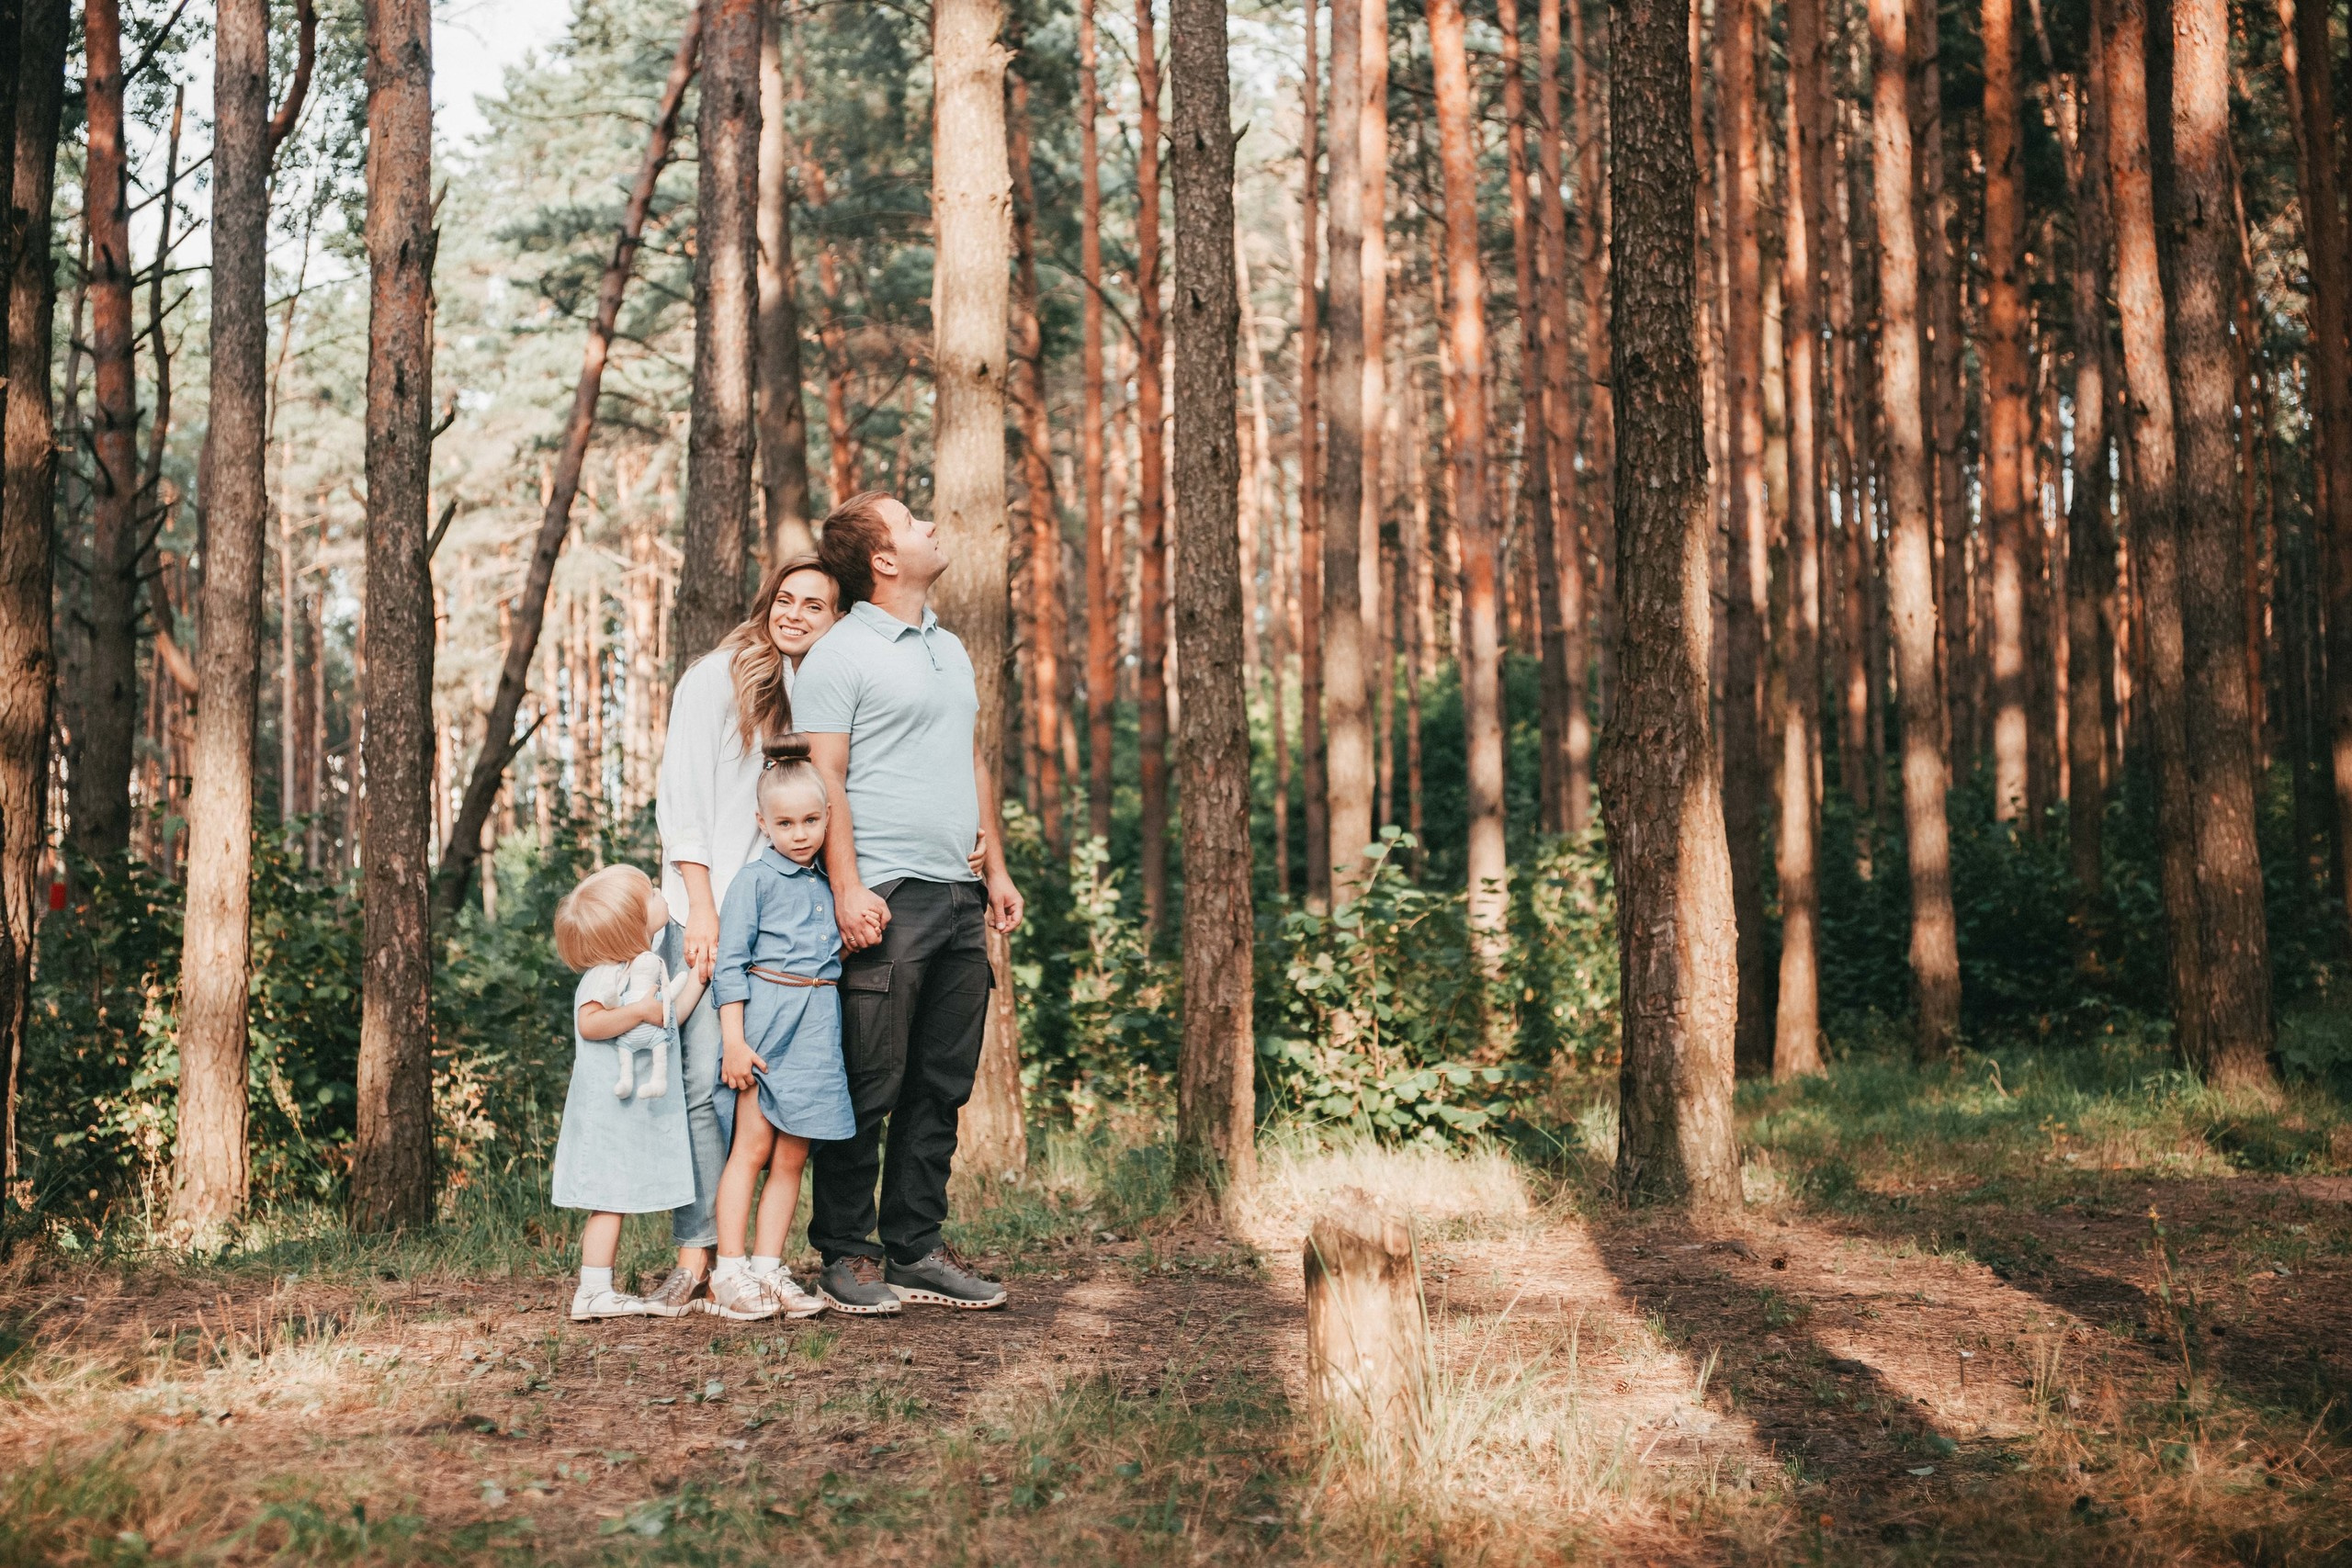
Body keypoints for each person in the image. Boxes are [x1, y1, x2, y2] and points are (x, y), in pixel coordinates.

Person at [793, 491, 1023, 1314]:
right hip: (886, 896)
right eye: (910, 521)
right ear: (884, 560)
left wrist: (997, 869)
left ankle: (916, 1248)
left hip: (960, 894)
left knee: (941, 1083)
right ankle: (847, 1253)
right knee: (870, 1081)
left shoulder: (948, 646)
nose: (930, 525)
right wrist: (847, 886)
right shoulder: (838, 654)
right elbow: (824, 777)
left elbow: (971, 758)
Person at [649, 556, 842, 1315]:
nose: (794, 614)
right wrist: (700, 906)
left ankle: (756, 1260)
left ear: (835, 620)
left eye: (814, 605)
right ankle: (696, 1255)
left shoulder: (817, 691)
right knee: (704, 1083)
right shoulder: (715, 678)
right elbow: (683, 800)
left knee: (758, 1095)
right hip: (709, 912)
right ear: (767, 603)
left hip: (783, 927)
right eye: (785, 599)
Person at [702, 736, 857, 1321]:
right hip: (766, 1026)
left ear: (828, 816)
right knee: (753, 1148)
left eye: (811, 820)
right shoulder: (754, 881)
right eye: (786, 823)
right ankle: (729, 1272)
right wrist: (734, 1041)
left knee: (793, 1156)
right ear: (762, 822)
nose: (800, 834)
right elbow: (730, 966)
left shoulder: (829, 880)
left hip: (817, 1025)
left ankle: (770, 1269)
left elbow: (826, 952)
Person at [548, 863, 708, 1321]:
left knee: (613, 1196)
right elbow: (590, 1023)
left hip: (624, 1112)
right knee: (607, 1199)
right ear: (633, 927)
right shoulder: (606, 974)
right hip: (604, 1111)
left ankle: (597, 1289)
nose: (660, 893)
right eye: (651, 894)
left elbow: (669, 1016)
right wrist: (638, 1011)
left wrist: (699, 977)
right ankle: (593, 1290)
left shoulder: (643, 967)